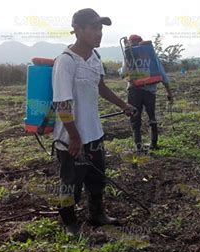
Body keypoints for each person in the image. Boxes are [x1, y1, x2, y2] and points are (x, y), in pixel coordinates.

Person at [52, 8, 136, 235]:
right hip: (71, 138)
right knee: (71, 182)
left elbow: (101, 88)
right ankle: (69, 223)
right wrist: (75, 136)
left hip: (94, 134)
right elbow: (62, 104)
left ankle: (97, 214)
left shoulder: (95, 58)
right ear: (78, 30)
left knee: (96, 177)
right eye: (94, 28)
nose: (99, 34)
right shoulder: (66, 61)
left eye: (100, 29)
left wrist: (123, 105)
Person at [119, 34, 173, 152]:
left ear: (130, 43)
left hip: (134, 91)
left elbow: (123, 74)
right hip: (150, 92)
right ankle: (154, 144)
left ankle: (138, 147)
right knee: (152, 117)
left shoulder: (129, 55)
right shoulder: (151, 55)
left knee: (135, 118)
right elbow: (162, 75)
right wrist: (169, 93)